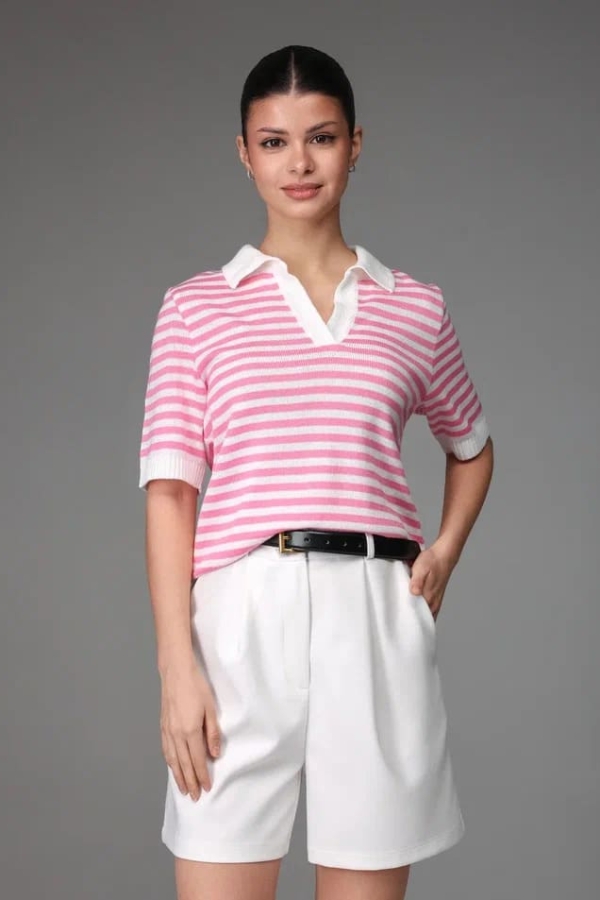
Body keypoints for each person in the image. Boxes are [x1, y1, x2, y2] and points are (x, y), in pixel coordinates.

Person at [138, 44, 494, 900]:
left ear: (355, 145)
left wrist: (444, 551)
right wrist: (176, 667)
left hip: (374, 613)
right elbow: (172, 493)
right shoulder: (196, 308)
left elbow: (471, 444)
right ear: (244, 152)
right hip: (241, 620)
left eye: (321, 138)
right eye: (274, 142)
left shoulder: (414, 306)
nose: (298, 163)